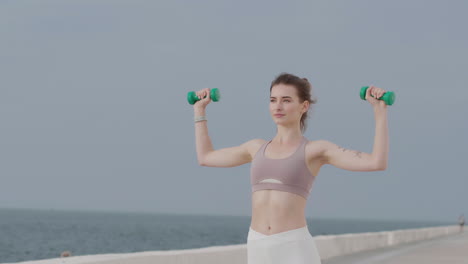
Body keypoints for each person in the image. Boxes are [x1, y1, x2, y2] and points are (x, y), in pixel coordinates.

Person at [192, 72, 389, 264]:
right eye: (273, 100)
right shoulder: (255, 148)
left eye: (286, 100)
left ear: (304, 106)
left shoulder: (315, 150)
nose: (278, 106)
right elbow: (206, 157)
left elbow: (376, 162)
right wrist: (199, 110)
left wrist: (380, 111)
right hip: (257, 244)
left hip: (293, 247)